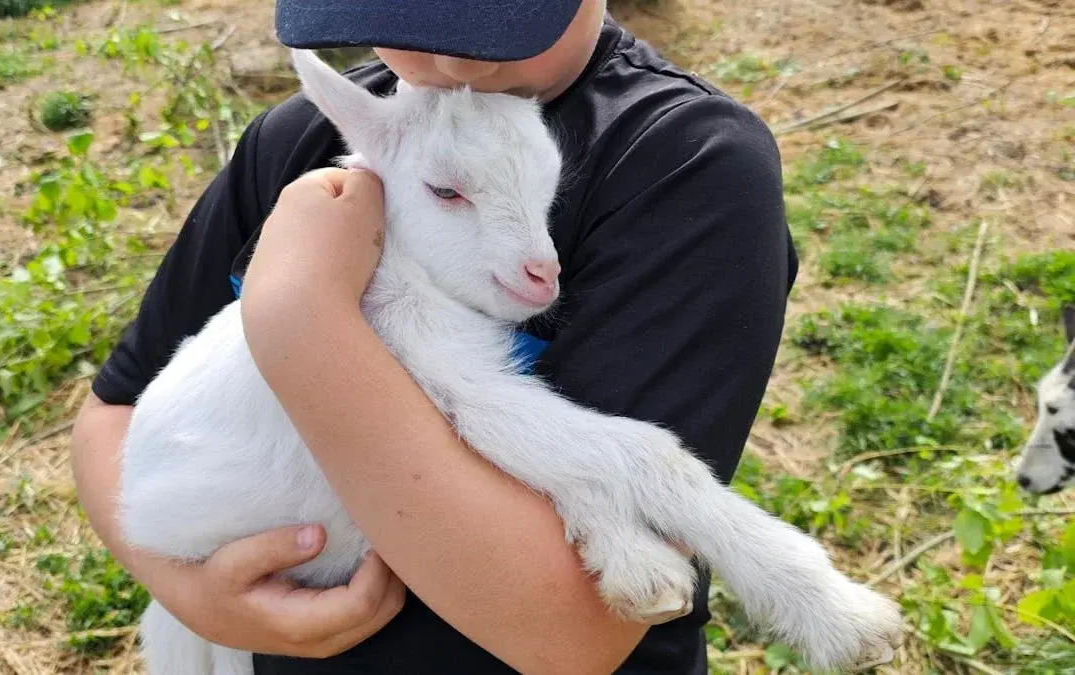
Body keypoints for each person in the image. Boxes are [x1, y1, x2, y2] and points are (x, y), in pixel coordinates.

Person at [69, 0, 799, 672]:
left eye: (499, 14)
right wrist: (190, 591)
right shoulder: (297, 140)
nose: (455, 62)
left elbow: (570, 633)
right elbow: (115, 412)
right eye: (403, 9)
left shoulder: (684, 166)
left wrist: (301, 315)